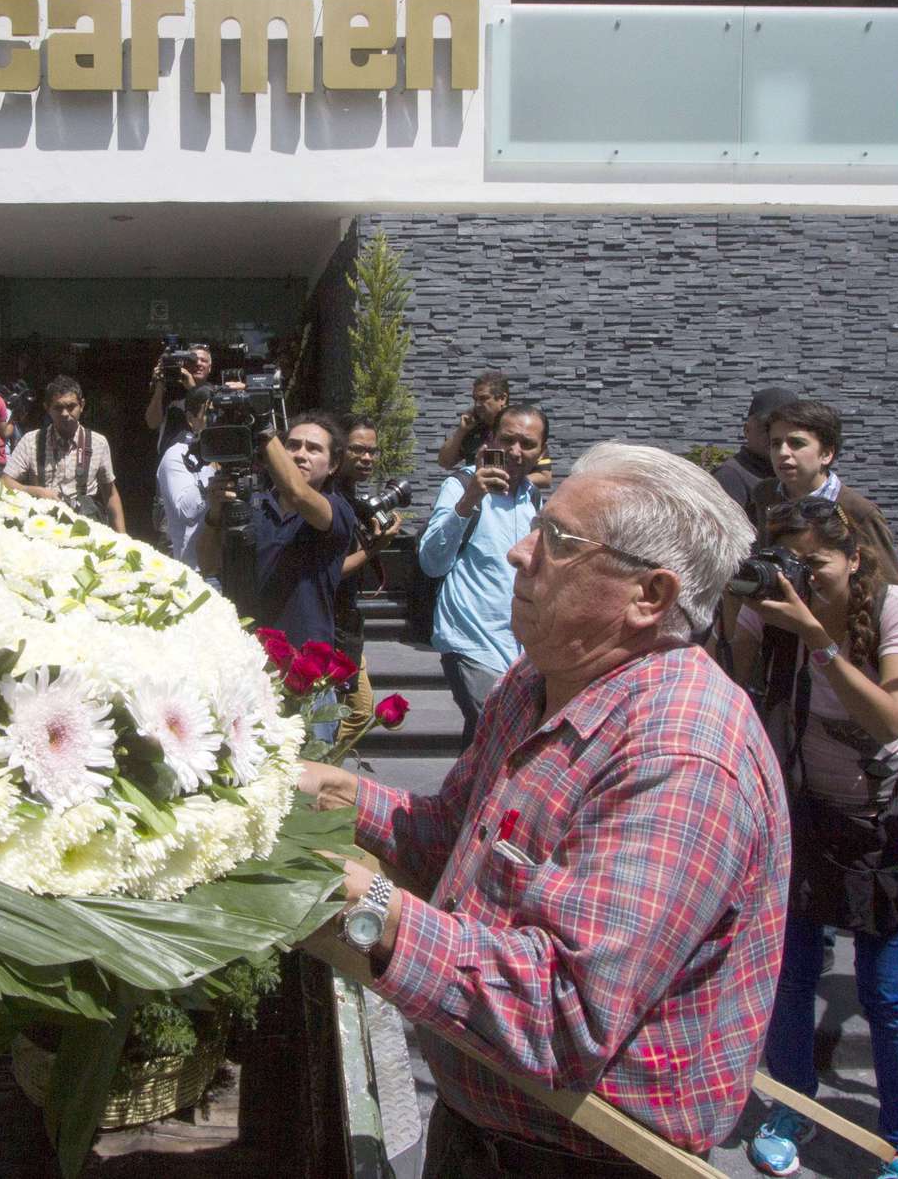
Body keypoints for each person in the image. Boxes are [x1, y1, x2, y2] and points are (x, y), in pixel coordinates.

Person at [297, 441, 789, 1174]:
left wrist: (360, 900)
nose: (518, 552)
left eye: (557, 540)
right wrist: (320, 788)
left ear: (649, 596)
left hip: (579, 1159)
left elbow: (561, 1013)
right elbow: (452, 840)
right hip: (483, 1129)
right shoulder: (538, 680)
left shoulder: (680, 754)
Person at [731, 499, 898, 1179]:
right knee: (789, 976)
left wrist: (817, 638)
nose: (800, 576)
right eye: (787, 559)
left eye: (811, 562)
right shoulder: (773, 607)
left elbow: (891, 718)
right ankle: (793, 1106)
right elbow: (734, 690)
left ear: (854, 557)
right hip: (805, 815)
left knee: (889, 992)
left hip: (896, 824)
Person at [196, 411, 357, 687]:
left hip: (307, 672)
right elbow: (208, 564)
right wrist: (213, 514)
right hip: (247, 666)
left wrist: (262, 426)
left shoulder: (337, 510)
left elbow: (298, 493)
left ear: (333, 465)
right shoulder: (248, 505)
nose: (300, 454)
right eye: (292, 446)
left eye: (314, 449)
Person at [418, 403, 545, 749]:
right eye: (508, 440)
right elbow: (431, 562)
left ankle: (460, 803)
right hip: (470, 640)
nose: (516, 451)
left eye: (528, 444)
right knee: (499, 730)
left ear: (541, 452)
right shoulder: (461, 483)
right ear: (491, 440)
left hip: (515, 646)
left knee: (484, 745)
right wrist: (470, 497)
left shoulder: (533, 497)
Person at [745, 398, 898, 584]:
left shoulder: (858, 511)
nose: (783, 452)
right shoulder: (764, 496)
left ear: (827, 454)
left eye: (796, 443)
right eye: (775, 443)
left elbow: (893, 589)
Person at [333, 415, 401, 749]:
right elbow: (329, 571)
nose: (367, 458)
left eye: (372, 451)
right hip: (331, 625)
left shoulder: (351, 499)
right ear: (339, 451)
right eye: (358, 450)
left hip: (347, 622)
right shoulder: (330, 502)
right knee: (357, 713)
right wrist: (377, 546)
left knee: (356, 712)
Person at [2, 376, 125, 533]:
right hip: (42, 527)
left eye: (71, 406)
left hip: (86, 527)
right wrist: (36, 491)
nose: (65, 413)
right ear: (47, 408)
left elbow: (110, 494)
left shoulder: (98, 443)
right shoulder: (31, 441)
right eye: (58, 408)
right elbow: (6, 481)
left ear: (82, 405)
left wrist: (123, 538)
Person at [156, 386, 215, 566]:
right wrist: (215, 472)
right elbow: (186, 511)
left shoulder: (243, 453)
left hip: (241, 568)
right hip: (199, 571)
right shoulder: (177, 455)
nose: (218, 420)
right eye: (210, 413)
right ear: (191, 419)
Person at [714, 385, 798, 509]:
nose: (775, 436)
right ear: (747, 430)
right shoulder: (730, 477)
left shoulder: (796, 473)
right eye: (766, 427)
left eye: (788, 429)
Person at [144, 341, 213, 454]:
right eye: (194, 360)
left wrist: (192, 389)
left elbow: (200, 425)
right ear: (184, 364)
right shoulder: (171, 393)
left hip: (201, 460)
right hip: (171, 462)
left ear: (209, 368)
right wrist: (160, 385)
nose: (198, 364)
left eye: (203, 360)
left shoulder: (213, 392)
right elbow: (152, 423)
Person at [435, 368, 511, 471]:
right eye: (475, 399)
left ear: (502, 398)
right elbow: (444, 462)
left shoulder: (521, 427)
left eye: (483, 398)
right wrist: (461, 431)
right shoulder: (473, 428)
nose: (477, 404)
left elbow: (541, 473)